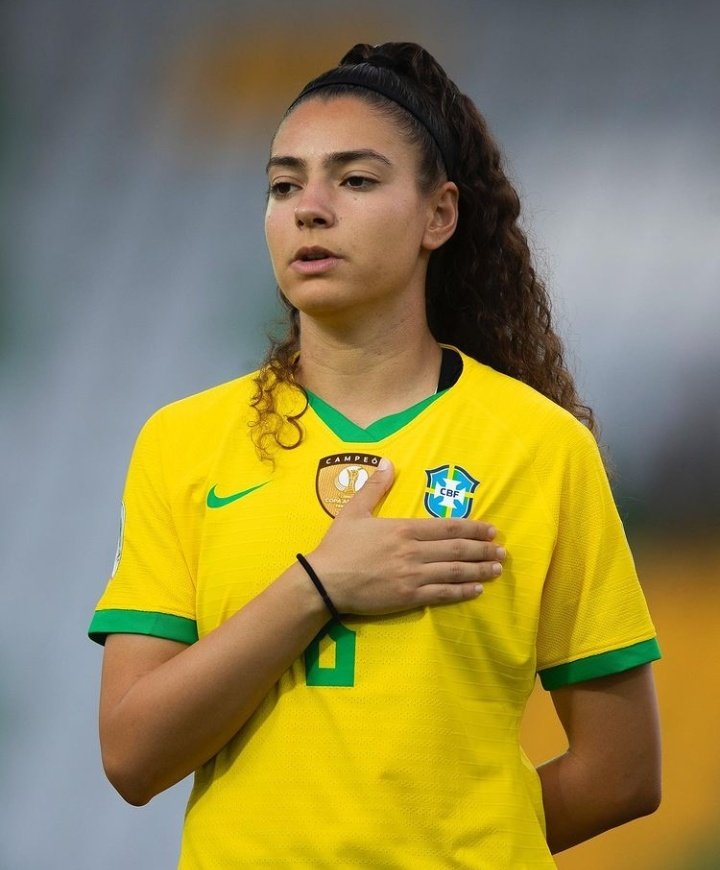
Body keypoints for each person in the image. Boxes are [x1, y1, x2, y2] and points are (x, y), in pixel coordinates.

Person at [89, 41, 661, 868]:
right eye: (284, 185)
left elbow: (623, 772)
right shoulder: (182, 443)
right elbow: (132, 757)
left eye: (355, 180)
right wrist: (320, 586)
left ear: (440, 215)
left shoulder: (542, 448)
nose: (309, 208)